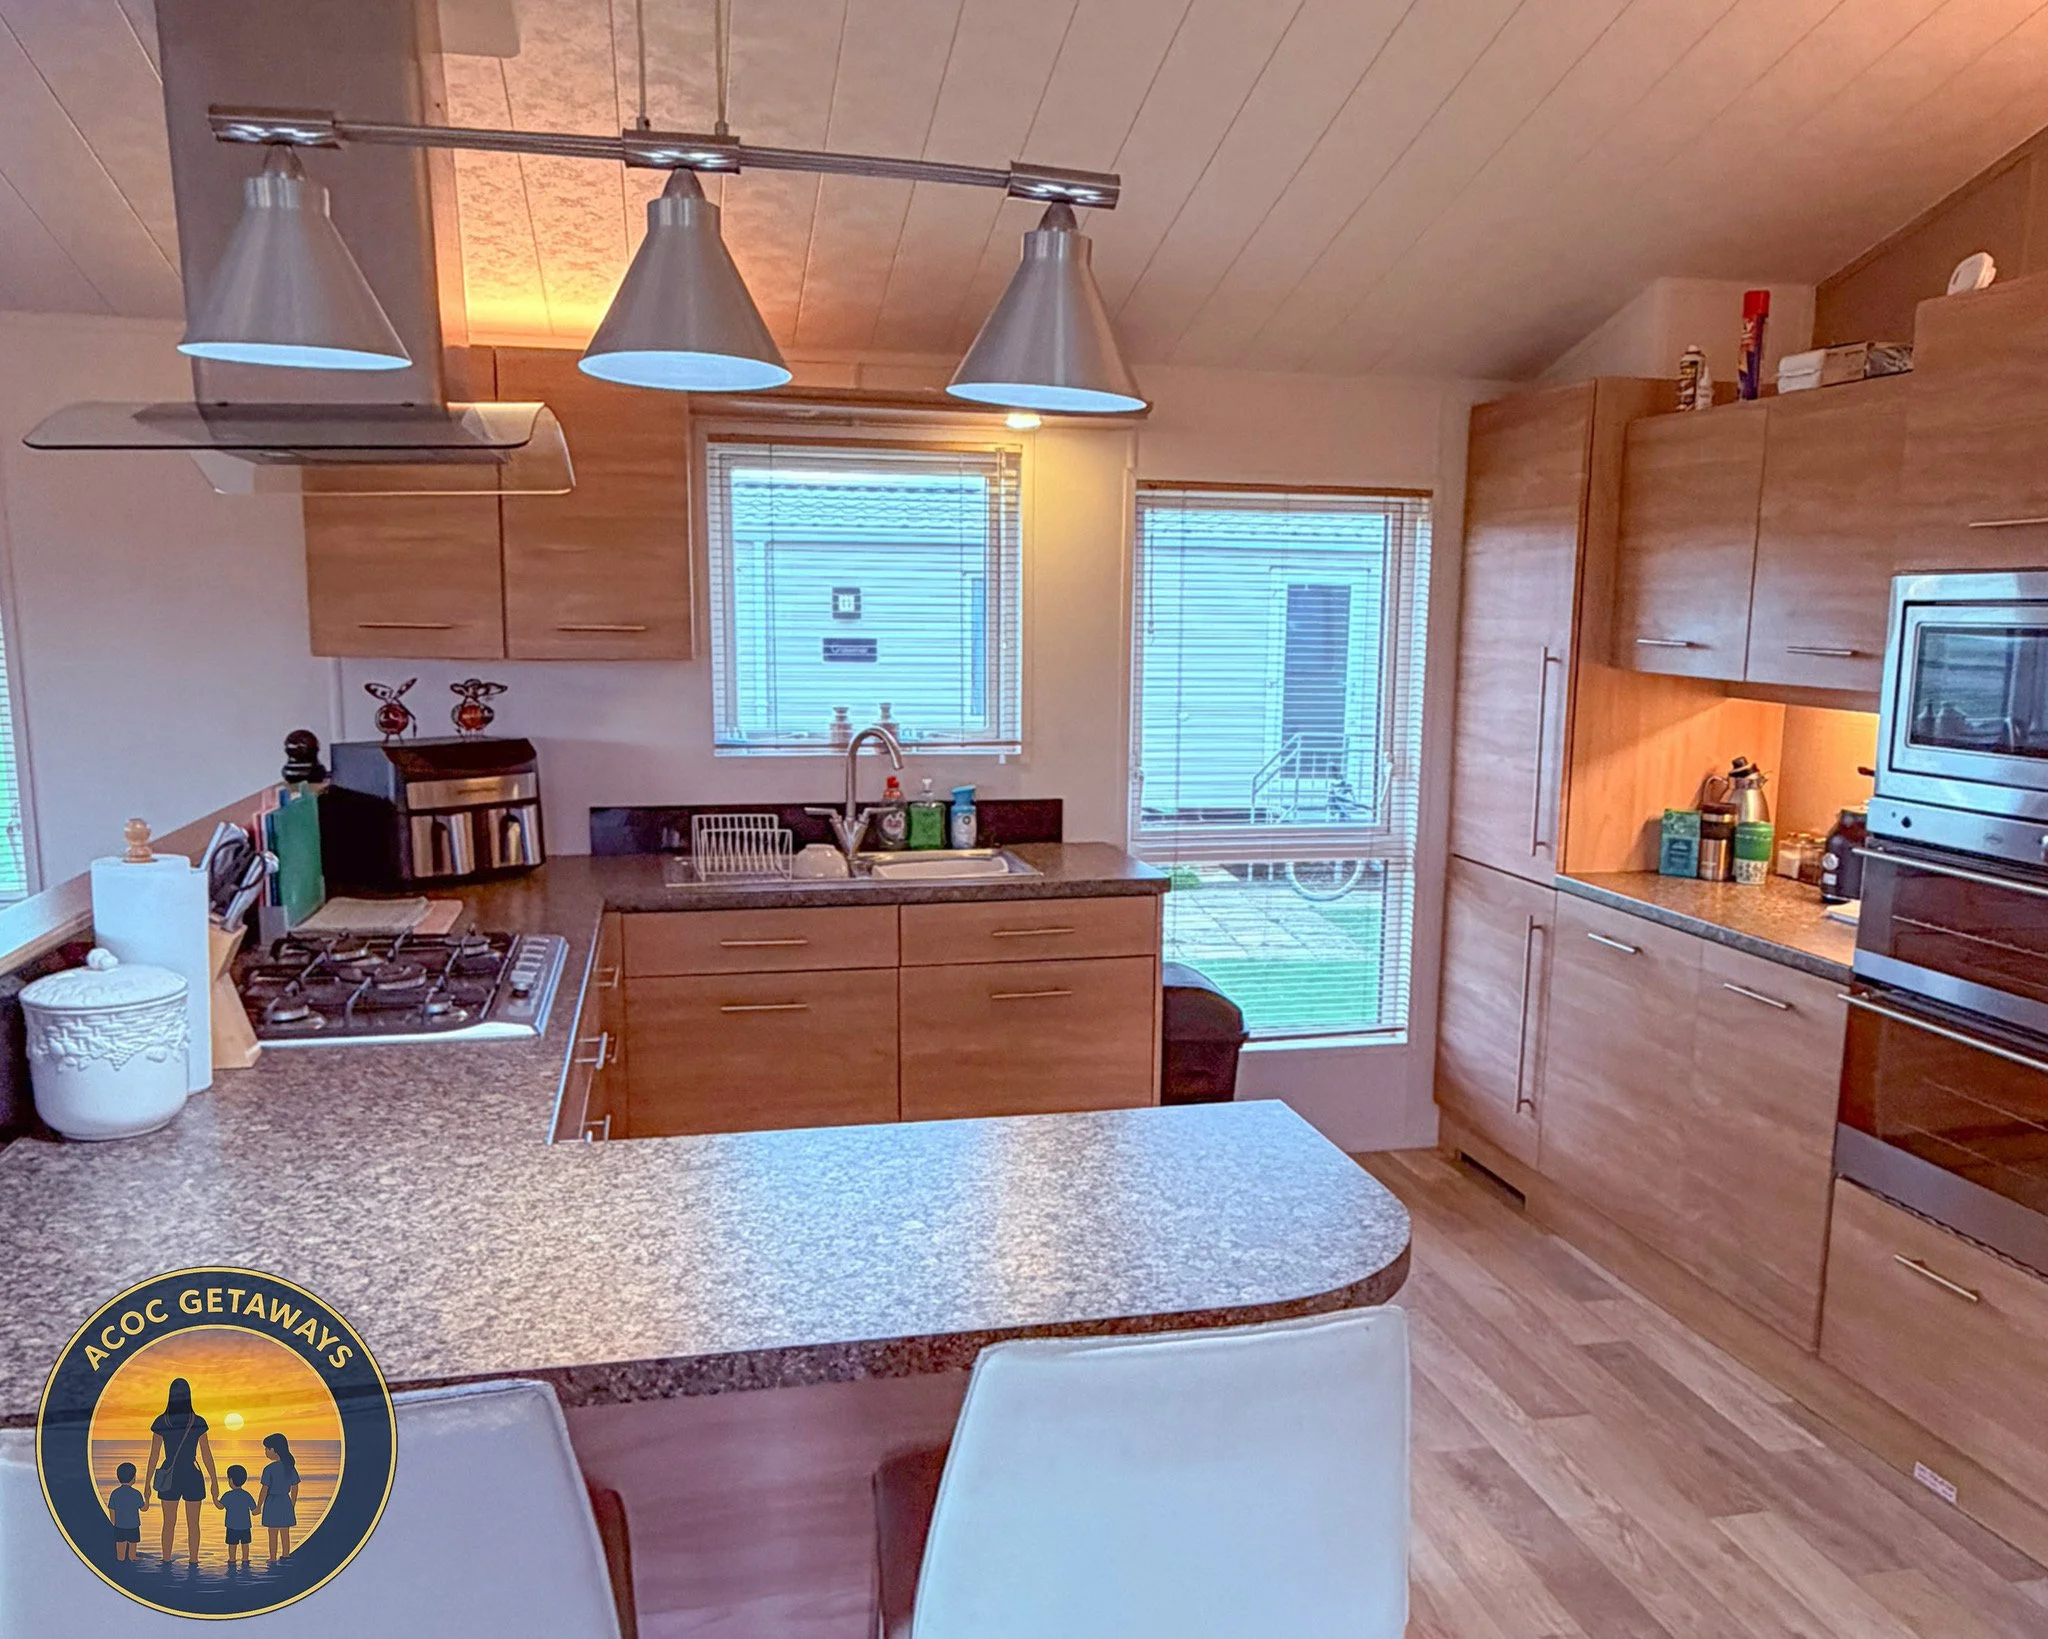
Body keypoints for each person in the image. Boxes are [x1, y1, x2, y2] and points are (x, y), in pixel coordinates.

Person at [142, 1378, 217, 1566]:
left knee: (168, 1523)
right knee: (193, 1524)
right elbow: (206, 1454)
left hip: (169, 1475)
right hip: (192, 1474)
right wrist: (214, 1481)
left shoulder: (162, 1421)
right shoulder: (197, 1421)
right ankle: (193, 1561)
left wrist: (147, 1485)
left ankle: (166, 1560)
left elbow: (154, 1456)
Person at [257, 1433, 299, 1562]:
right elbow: (295, 1487)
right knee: (285, 1531)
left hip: (272, 1502)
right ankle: (286, 1554)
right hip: (285, 1501)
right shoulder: (289, 1467)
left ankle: (272, 1557)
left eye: (266, 1449)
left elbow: (264, 1489)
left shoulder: (269, 1469)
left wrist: (259, 1506)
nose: (265, 1452)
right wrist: (292, 1504)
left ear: (273, 1450)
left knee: (273, 1532)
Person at [216, 1465, 256, 1568]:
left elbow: (220, 1506)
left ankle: (232, 1560)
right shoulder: (247, 1495)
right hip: (245, 1526)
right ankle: (245, 1560)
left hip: (232, 1526)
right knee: (245, 1545)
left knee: (232, 1545)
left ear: (231, 1480)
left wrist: (214, 1498)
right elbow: (254, 1509)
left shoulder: (228, 1495)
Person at [106, 1462, 146, 1563]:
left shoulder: (115, 1493)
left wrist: (114, 1523)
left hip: (120, 1526)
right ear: (133, 1478)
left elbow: (111, 1509)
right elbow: (143, 1508)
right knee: (132, 1549)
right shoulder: (136, 1494)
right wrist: (148, 1499)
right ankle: (133, 1557)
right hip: (133, 1526)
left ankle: (120, 1559)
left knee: (120, 1550)